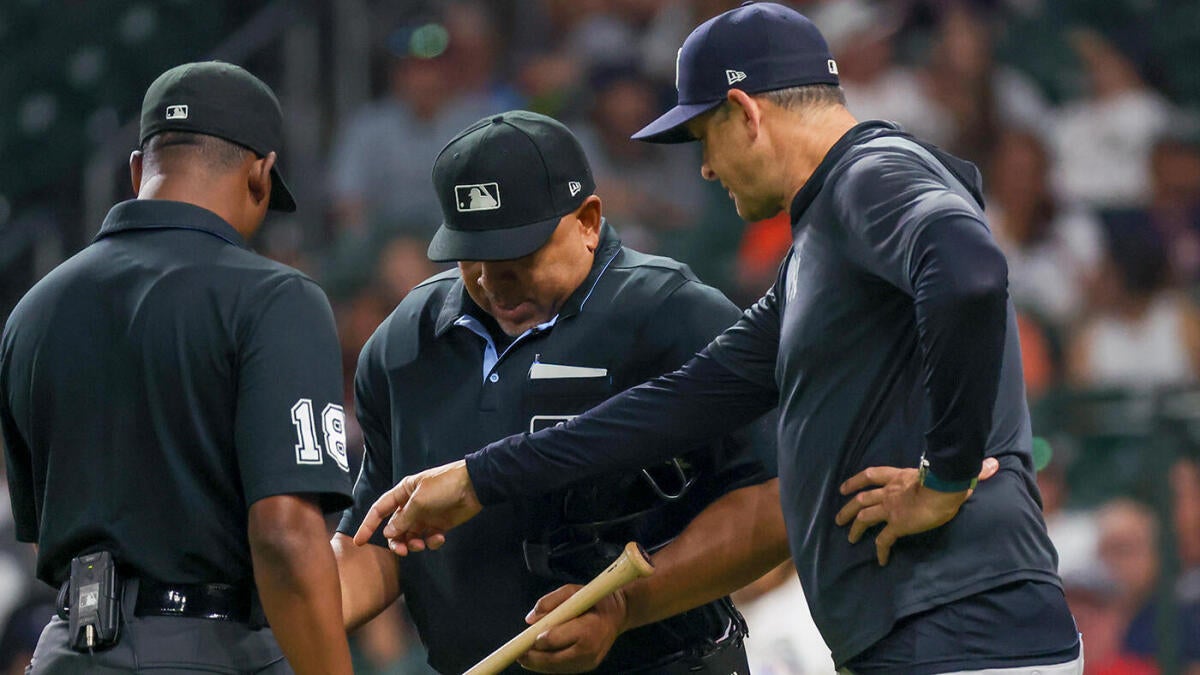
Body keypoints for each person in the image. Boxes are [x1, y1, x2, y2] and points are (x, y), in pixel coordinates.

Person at [355, 4, 1080, 674]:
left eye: (704, 136)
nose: (704, 166)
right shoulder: (822, 240)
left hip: (966, 629)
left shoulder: (871, 172)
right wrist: (480, 479)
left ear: (745, 113)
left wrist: (946, 476)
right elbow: (678, 403)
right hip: (931, 634)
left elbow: (969, 274)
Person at [332, 110, 788, 674]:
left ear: (588, 221)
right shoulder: (405, 341)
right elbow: (379, 537)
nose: (493, 283)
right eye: (472, 255)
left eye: (517, 257)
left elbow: (771, 506)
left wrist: (626, 607)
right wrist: (282, 616)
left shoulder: (671, 314)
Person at [0, 62, 354, 674]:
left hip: (64, 648)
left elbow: (41, 532)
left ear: (139, 169)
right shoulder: (276, 298)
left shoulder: (32, 310)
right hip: (211, 648)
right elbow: (284, 535)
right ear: (260, 174)